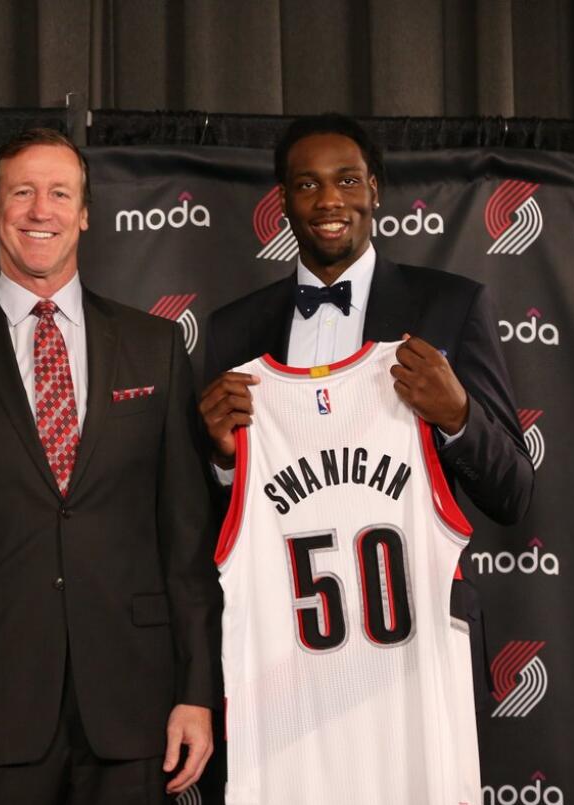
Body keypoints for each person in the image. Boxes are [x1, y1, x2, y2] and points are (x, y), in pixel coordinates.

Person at [0, 128, 220, 805]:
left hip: (132, 705)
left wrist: (198, 691)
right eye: (23, 192)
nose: (42, 210)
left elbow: (186, 541)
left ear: (86, 212)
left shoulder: (155, 348)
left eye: (60, 193)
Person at [200, 112, 532, 527]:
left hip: (417, 590)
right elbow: (205, 523)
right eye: (307, 184)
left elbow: (513, 495)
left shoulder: (452, 306)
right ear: (282, 199)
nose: (329, 200)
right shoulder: (232, 330)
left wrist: (458, 417)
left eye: (347, 180)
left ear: (373, 191)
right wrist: (225, 462)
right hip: (285, 588)